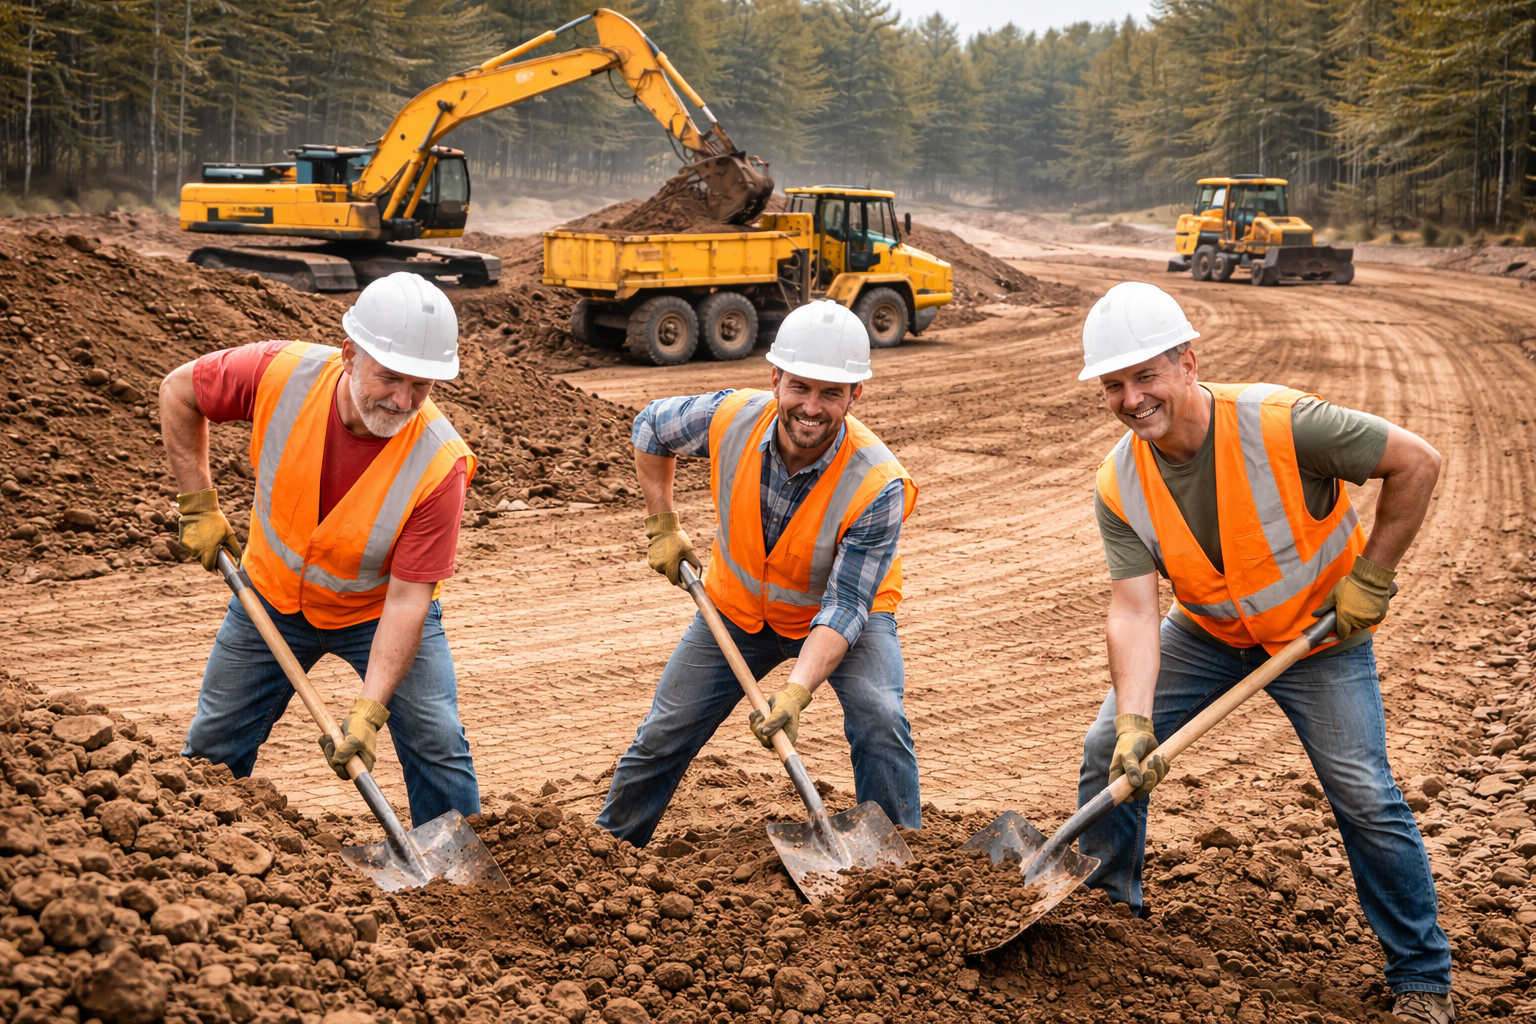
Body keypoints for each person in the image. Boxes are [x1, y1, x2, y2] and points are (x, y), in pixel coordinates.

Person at [1075, 282, 1453, 1024]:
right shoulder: (1119, 480)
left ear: (1188, 361)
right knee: (1103, 751)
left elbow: (1418, 462)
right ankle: (1109, 917)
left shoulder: (1282, 422)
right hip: (1211, 634)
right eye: (1114, 385)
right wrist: (1135, 721)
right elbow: (1135, 608)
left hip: (1320, 640)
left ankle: (1422, 979)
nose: (1130, 398)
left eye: (1145, 375)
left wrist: (1371, 578)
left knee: (1365, 796)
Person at [159, 272, 481, 827]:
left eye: (422, 385)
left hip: (377, 611)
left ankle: (460, 876)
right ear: (350, 354)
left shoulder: (439, 463)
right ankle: (200, 852)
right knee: (213, 745)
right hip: (270, 594)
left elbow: (408, 602)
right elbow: (178, 391)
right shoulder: (278, 373)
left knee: (438, 743)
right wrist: (198, 505)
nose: (403, 400)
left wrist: (371, 709)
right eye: (390, 377)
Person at [597, 300, 920, 846]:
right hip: (739, 607)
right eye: (799, 387)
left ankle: (895, 864)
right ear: (775, 378)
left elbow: (844, 606)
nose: (811, 407)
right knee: (664, 732)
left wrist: (795, 693)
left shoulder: (878, 484)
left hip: (839, 618)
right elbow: (649, 426)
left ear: (855, 395)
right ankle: (608, 850)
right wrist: (663, 525)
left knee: (880, 717)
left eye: (831, 393)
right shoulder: (731, 417)